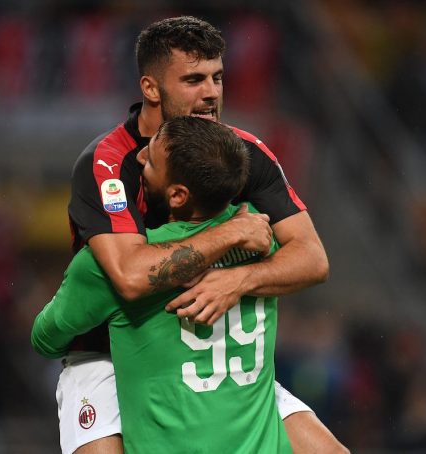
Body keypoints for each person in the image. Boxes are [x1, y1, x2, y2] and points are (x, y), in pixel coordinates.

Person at [64, 15, 346, 454]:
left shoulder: (241, 153)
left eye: (217, 77)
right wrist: (232, 234)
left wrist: (240, 279)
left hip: (209, 350)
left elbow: (313, 258)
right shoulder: (109, 164)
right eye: (193, 79)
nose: (211, 92)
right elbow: (131, 276)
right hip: (110, 356)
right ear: (151, 88)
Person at [34, 116, 292, 453]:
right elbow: (310, 262)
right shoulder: (264, 240)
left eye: (151, 160)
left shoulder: (107, 268)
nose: (139, 159)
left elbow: (45, 338)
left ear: (178, 195)